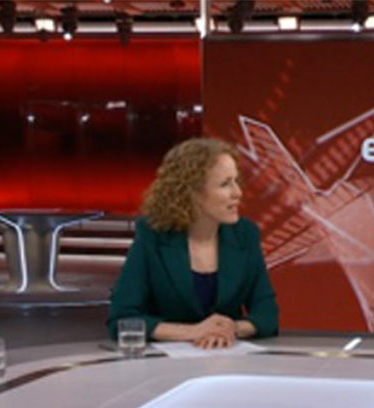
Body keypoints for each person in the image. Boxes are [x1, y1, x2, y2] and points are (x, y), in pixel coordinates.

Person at [106, 137, 279, 348]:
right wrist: (193, 332)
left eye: (236, 181)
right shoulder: (153, 236)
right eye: (225, 184)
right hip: (162, 363)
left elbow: (267, 315)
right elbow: (122, 320)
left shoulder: (245, 235)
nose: (238, 193)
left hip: (226, 358)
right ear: (192, 193)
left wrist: (231, 328)